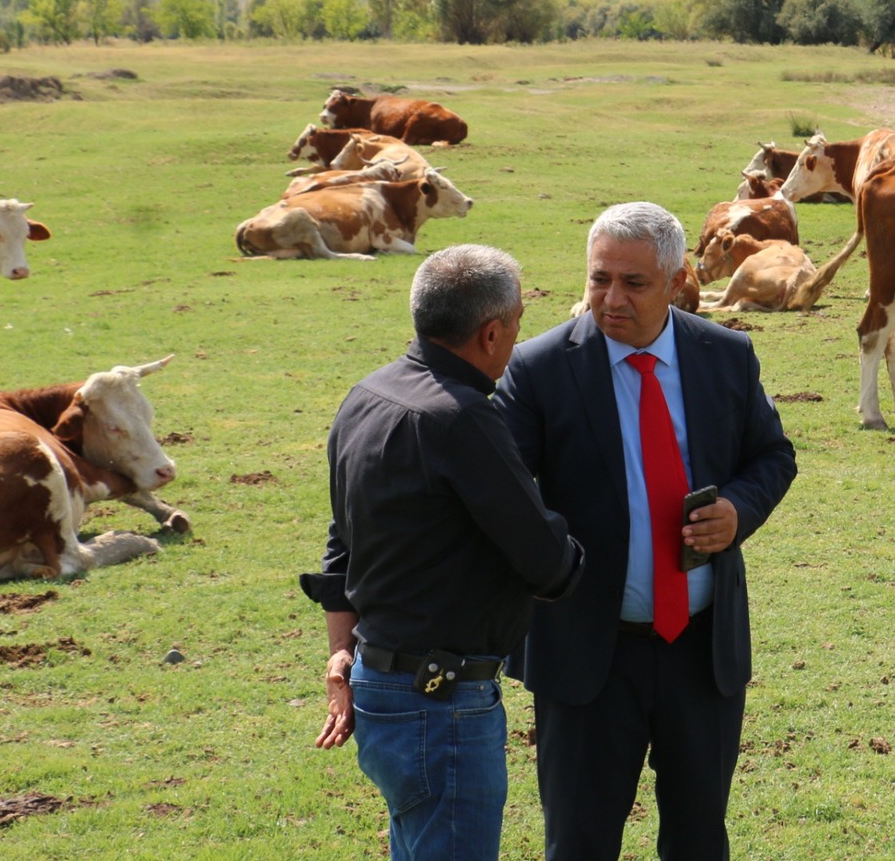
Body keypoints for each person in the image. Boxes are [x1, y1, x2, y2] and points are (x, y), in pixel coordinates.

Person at [495, 201, 797, 860]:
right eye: (600, 277)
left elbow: (772, 456)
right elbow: (504, 493)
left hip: (700, 653)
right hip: (586, 658)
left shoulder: (726, 353)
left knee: (697, 839)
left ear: (677, 279)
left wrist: (739, 511)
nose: (611, 297)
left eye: (633, 282)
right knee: (578, 841)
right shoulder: (539, 369)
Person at [302, 244, 583, 861]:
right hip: (443, 704)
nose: (515, 340)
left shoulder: (366, 396)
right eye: (514, 326)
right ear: (490, 332)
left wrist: (339, 655)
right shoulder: (461, 421)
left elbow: (339, 542)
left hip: (379, 684)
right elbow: (548, 564)